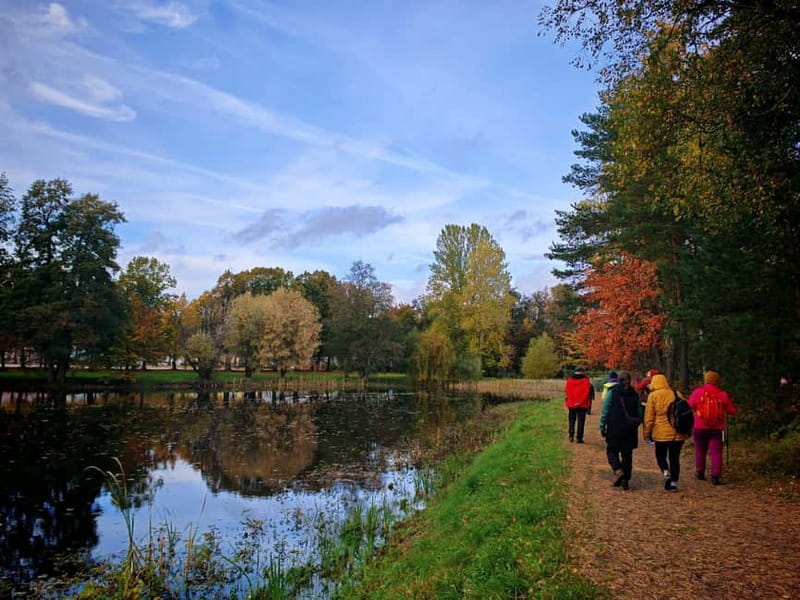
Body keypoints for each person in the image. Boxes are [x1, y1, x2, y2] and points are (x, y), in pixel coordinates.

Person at [688, 371, 737, 485]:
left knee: (700, 450)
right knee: (716, 452)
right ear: (717, 381)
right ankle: (715, 476)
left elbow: (690, 405)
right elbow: (731, 410)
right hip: (717, 428)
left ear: (706, 380)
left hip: (699, 427)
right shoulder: (722, 394)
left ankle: (700, 472)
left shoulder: (698, 392)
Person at [643, 373, 688, 491]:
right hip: (677, 433)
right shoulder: (676, 393)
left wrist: (646, 434)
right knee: (675, 458)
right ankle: (674, 482)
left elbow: (649, 418)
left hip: (660, 434)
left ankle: (665, 472)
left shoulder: (653, 396)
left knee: (660, 456)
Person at [599, 370, 642, 490]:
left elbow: (605, 411)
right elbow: (640, 412)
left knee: (611, 451)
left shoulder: (613, 393)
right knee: (627, 454)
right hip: (630, 429)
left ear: (619, 380)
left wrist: (602, 426)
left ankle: (618, 470)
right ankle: (626, 479)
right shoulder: (635, 394)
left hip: (614, 428)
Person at [565, 366, 594, 443]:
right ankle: (579, 438)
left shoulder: (569, 380)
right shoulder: (586, 380)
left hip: (571, 403)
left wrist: (573, 401)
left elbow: (567, 391)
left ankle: (571, 435)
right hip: (582, 404)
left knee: (571, 420)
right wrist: (580, 402)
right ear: (582, 371)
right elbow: (587, 393)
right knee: (581, 421)